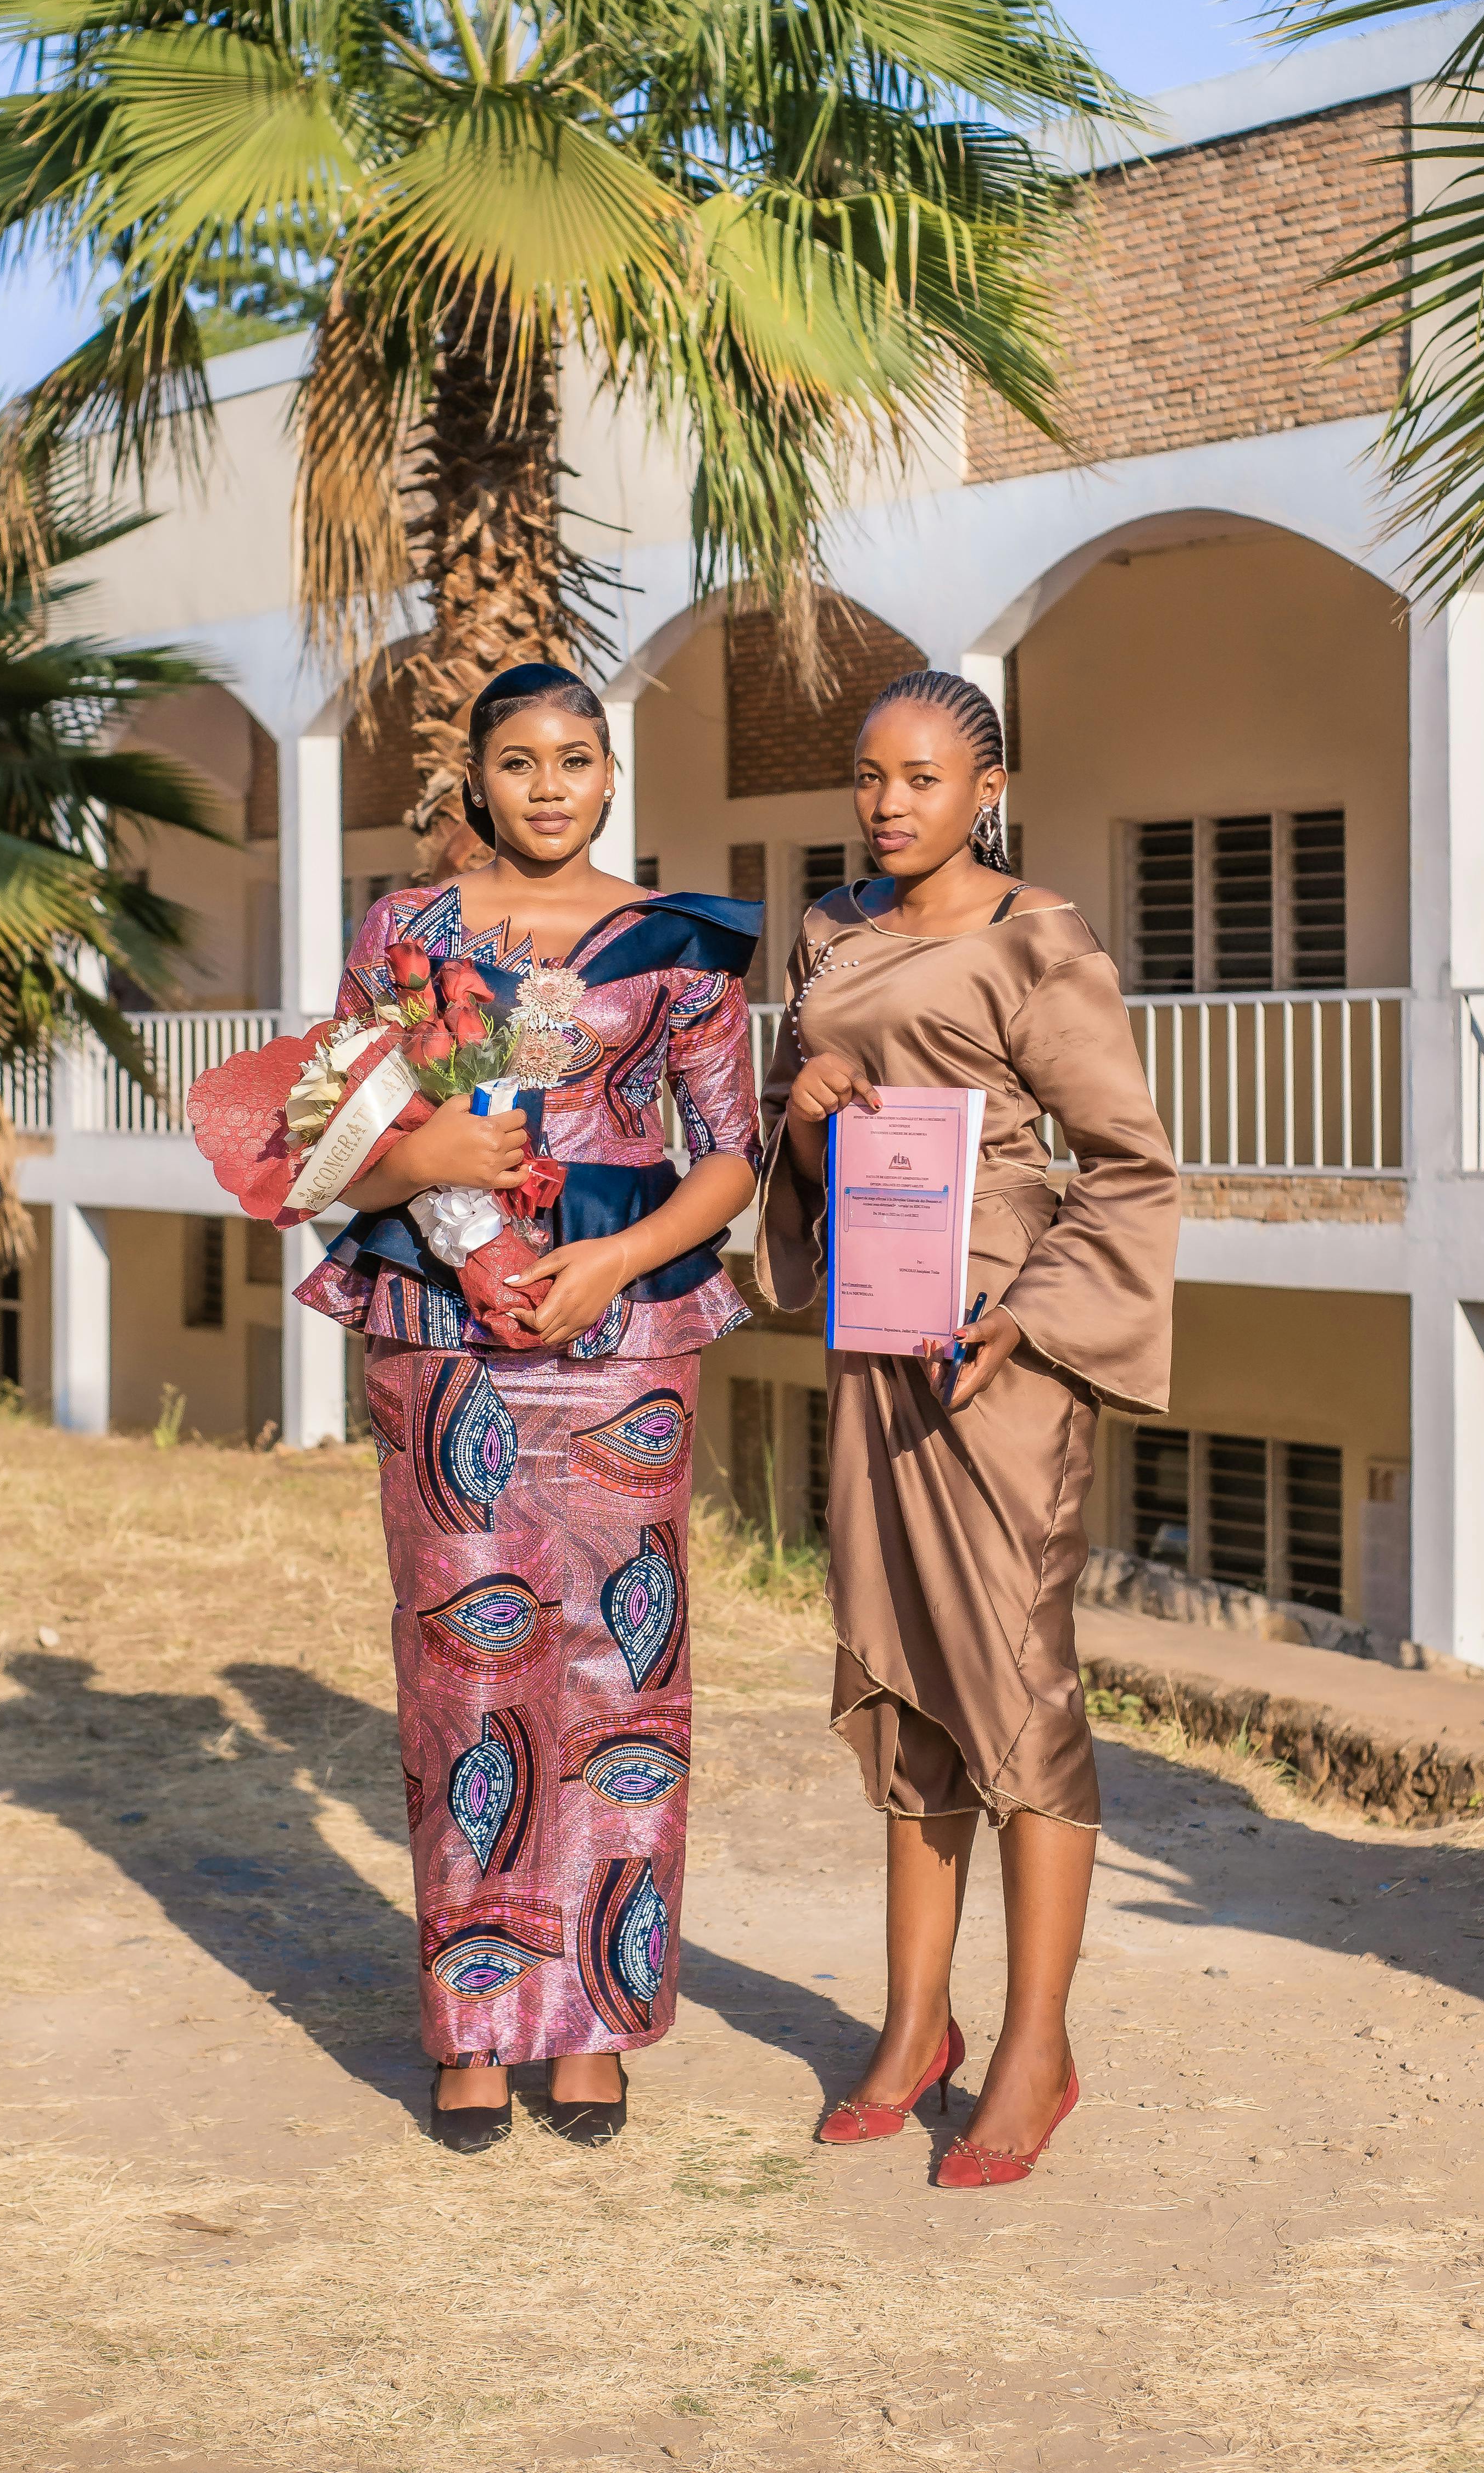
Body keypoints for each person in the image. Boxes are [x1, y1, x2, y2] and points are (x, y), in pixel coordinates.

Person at [294, 662, 763, 2150]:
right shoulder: (404, 933)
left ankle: (597, 2017)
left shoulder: (682, 943)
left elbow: (731, 1155)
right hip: (438, 1330)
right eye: (518, 760)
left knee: (622, 1668)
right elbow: (330, 1139)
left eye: (574, 757)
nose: (548, 784)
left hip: (622, 1333)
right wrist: (423, 1172)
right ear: (475, 784)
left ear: (611, 775)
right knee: (465, 1668)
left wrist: (613, 1258)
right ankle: (477, 2021)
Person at [755, 669, 1178, 2190]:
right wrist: (805, 1105)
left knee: (1010, 1672)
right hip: (871, 1325)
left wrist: (1035, 1313)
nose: (888, 802)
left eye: (922, 778)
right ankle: (913, 2018)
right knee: (903, 1667)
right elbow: (797, 1125)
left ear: (983, 789)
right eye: (869, 776)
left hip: (997, 1339)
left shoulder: (1035, 940)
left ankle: (1034, 2044)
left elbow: (1127, 1163)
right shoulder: (826, 933)